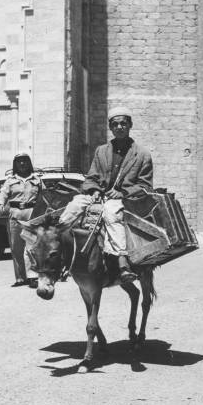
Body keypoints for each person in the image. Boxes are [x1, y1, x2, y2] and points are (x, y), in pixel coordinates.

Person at [58, 106, 153, 283]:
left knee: (111, 213)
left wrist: (122, 192)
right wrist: (93, 190)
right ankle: (61, 257)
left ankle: (122, 261)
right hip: (99, 195)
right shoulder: (101, 151)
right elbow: (91, 176)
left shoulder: (142, 154)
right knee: (73, 206)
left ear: (130, 125)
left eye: (123, 123)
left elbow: (145, 185)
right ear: (110, 127)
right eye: (115, 124)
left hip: (125, 200)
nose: (119, 127)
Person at [0, 153, 40, 288]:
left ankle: (33, 276)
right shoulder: (10, 181)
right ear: (15, 164)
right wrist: (0, 204)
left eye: (25, 161)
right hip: (15, 215)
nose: (22, 164)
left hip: (31, 215)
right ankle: (21, 277)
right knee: (16, 248)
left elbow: (43, 196)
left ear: (29, 163)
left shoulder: (37, 179)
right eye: (19, 161)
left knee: (31, 246)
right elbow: (3, 194)